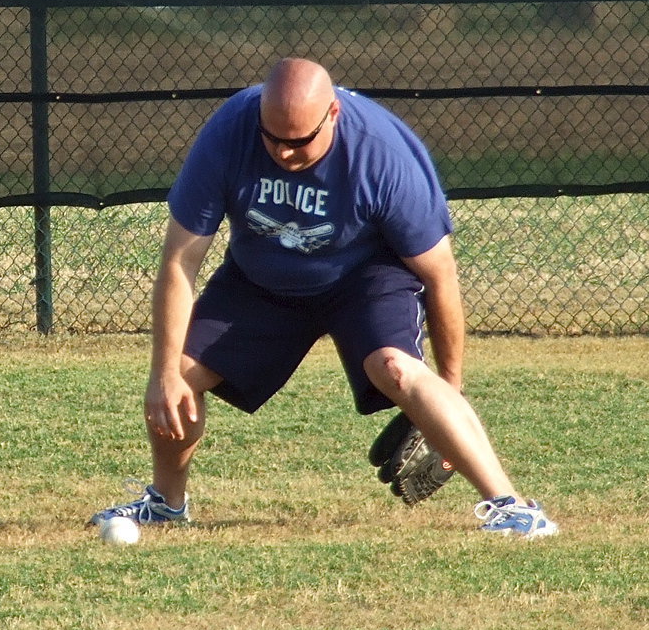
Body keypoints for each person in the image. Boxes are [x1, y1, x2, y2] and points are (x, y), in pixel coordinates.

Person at [90, 57, 558, 539]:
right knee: (181, 378)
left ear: (332, 114)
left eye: (299, 141)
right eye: (273, 139)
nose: (285, 153)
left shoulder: (381, 156)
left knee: (396, 368)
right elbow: (179, 262)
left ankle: (512, 507)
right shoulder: (230, 131)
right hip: (262, 280)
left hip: (365, 277)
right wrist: (163, 373)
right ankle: (167, 504)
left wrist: (449, 391)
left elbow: (440, 275)